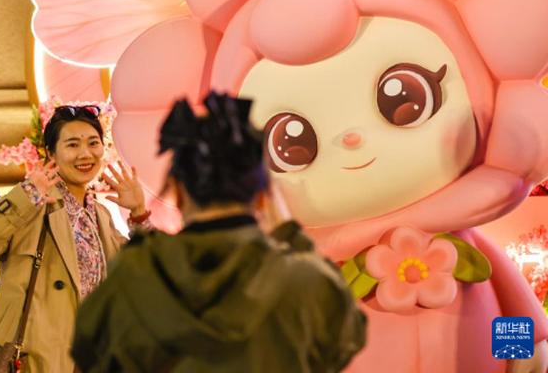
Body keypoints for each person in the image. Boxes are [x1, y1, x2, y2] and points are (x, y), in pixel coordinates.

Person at [71, 92, 367, 372]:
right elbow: (343, 342)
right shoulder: (305, 279)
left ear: (178, 192)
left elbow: (92, 352)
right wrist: (288, 235)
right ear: (263, 197)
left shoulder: (136, 274)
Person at [0, 104, 150, 372]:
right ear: (51, 153)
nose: (85, 154)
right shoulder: (32, 204)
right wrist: (26, 195)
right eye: (72, 145)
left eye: (93, 143)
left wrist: (139, 213)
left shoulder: (100, 215)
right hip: (35, 359)